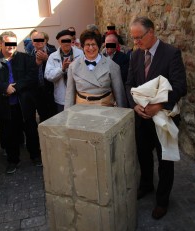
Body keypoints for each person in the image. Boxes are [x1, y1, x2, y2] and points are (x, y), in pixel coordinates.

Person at [126, 16, 187, 219]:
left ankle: (162, 201)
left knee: (165, 161)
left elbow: (180, 86)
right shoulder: (135, 56)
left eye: (139, 37)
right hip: (142, 118)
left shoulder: (171, 53)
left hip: (164, 119)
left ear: (151, 32)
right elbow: (129, 84)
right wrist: (135, 106)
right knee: (143, 155)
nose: (135, 42)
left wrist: (158, 105)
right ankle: (146, 185)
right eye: (133, 38)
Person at [0, 31, 41, 174]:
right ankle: (13, 160)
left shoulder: (25, 58)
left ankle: (35, 156)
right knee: (9, 134)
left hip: (25, 104)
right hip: (4, 106)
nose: (11, 47)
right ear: (1, 44)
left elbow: (32, 77)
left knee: (31, 131)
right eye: (7, 43)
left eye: (13, 44)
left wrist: (15, 87)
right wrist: (4, 88)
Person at [65, 29, 127, 109]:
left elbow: (120, 96)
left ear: (99, 46)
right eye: (87, 44)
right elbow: (69, 95)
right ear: (82, 46)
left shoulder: (112, 66)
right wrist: (67, 116)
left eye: (93, 44)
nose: (91, 48)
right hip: (80, 111)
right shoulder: (73, 67)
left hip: (105, 111)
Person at [45, 29, 83, 112]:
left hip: (79, 96)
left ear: (72, 41)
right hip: (61, 98)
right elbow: (48, 76)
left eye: (68, 40)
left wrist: (75, 68)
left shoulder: (80, 54)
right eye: (63, 41)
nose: (66, 43)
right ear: (59, 42)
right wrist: (62, 69)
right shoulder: (52, 56)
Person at [30, 31, 57, 122]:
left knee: (55, 114)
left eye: (41, 39)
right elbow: (29, 75)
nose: (39, 42)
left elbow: (60, 68)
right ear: (32, 42)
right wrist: (36, 64)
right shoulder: (29, 56)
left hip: (52, 89)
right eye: (36, 40)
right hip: (38, 91)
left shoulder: (53, 52)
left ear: (45, 41)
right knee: (43, 115)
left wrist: (47, 58)